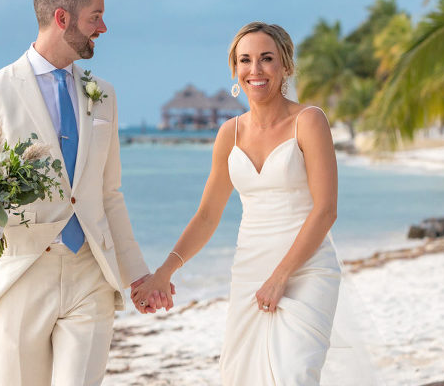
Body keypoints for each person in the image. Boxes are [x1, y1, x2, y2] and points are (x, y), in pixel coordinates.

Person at [0, 0, 163, 386]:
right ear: (62, 18)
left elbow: (109, 194)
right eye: (95, 17)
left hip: (92, 270)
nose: (103, 28)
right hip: (22, 271)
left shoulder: (103, 94)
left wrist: (137, 274)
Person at [132, 22, 342, 384]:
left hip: (306, 269)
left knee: (295, 373)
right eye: (245, 60)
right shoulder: (229, 134)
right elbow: (208, 215)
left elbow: (325, 211)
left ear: (286, 66)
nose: (255, 70)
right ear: (235, 70)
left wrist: (280, 277)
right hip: (249, 270)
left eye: (266, 59)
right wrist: (163, 273)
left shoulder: (309, 121)